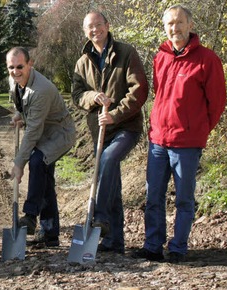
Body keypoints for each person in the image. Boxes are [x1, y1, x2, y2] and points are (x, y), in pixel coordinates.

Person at [133, 4, 227, 263]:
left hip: (186, 143)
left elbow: (217, 103)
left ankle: (178, 248)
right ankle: (152, 246)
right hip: (158, 141)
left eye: (179, 22)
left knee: (184, 200)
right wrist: (155, 128)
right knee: (153, 197)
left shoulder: (207, 60)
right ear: (165, 28)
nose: (174, 28)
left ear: (190, 25)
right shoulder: (160, 57)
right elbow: (160, 95)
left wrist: (198, 130)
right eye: (169, 24)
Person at [71, 11, 148, 254]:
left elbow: (139, 89)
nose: (95, 30)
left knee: (109, 159)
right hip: (100, 131)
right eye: (90, 27)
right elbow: (77, 95)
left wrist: (116, 114)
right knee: (111, 181)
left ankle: (100, 217)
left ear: (107, 25)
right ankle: (114, 241)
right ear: (85, 32)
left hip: (126, 126)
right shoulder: (82, 61)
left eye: (98, 25)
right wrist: (93, 97)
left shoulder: (126, 52)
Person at [7, 47, 75, 247]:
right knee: (45, 179)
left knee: (36, 162)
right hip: (43, 130)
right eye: (11, 67)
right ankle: (50, 233)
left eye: (20, 66)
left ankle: (30, 216)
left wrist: (19, 163)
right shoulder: (14, 80)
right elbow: (22, 105)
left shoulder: (41, 89)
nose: (15, 71)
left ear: (30, 64)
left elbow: (33, 133)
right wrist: (20, 115)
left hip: (59, 134)